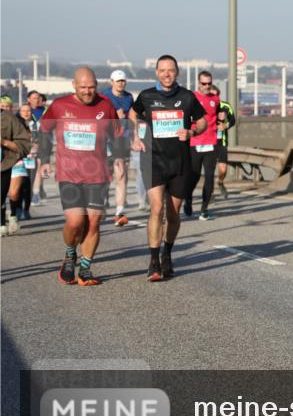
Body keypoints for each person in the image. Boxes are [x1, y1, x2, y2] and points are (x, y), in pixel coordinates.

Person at [36, 67, 119, 284]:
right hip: (69, 173)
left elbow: (118, 135)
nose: (88, 91)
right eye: (83, 87)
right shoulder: (59, 105)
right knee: (75, 222)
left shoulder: (106, 106)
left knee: (93, 221)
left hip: (98, 174)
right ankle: (70, 252)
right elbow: (44, 131)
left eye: (91, 87)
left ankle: (85, 268)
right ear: (74, 85)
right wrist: (44, 160)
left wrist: (119, 157)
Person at [130, 54, 207, 281]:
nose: (166, 74)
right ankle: (153, 261)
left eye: (171, 70)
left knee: (173, 214)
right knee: (156, 209)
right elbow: (132, 114)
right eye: (162, 70)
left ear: (177, 72)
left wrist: (193, 131)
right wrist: (136, 133)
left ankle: (167, 254)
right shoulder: (146, 96)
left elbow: (202, 121)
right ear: (156, 72)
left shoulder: (186, 97)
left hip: (179, 162)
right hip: (153, 160)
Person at [184, 71, 220, 220]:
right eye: (203, 83)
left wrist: (223, 120)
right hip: (195, 142)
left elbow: (217, 116)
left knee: (210, 177)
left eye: (209, 83)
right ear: (198, 83)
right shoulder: (191, 98)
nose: (206, 86)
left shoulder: (215, 99)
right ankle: (188, 198)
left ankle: (204, 209)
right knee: (195, 175)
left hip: (211, 142)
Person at [100, 69, 134, 225]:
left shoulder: (129, 97)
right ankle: (103, 202)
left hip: (121, 140)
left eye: (123, 81)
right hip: (105, 140)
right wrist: (114, 116)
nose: (121, 83)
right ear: (111, 81)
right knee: (105, 176)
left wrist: (134, 137)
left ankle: (119, 211)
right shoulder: (104, 97)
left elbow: (132, 118)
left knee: (121, 175)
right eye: (118, 81)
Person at [0, 97, 31, 237]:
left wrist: (4, 142)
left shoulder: (12, 120)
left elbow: (24, 144)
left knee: (13, 193)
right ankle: (2, 222)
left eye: (7, 106)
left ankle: (13, 215)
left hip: (14, 160)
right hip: (5, 162)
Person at [211, 85, 237, 200]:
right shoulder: (204, 107)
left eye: (215, 95)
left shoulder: (225, 106)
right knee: (209, 170)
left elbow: (233, 120)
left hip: (222, 142)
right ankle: (209, 193)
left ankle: (220, 182)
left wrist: (225, 125)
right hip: (208, 142)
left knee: (223, 170)